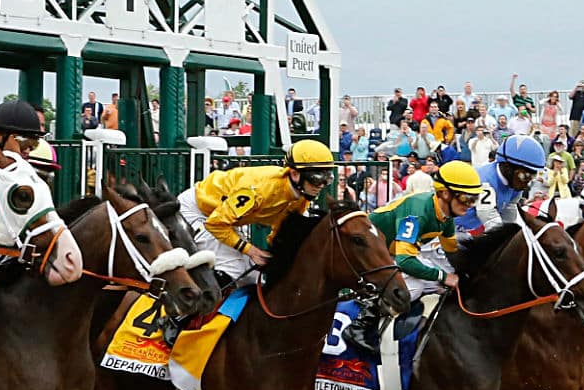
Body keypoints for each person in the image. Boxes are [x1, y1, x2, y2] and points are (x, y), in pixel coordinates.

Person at [342, 161, 484, 352]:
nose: (470, 205)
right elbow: (405, 261)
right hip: (363, 255)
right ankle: (360, 324)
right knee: (415, 286)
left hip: (386, 255)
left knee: (436, 280)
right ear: (445, 193)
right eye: (466, 198)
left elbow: (453, 255)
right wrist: (444, 277)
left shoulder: (447, 218)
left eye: (474, 199)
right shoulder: (418, 211)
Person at [177, 139, 335, 288]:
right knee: (233, 268)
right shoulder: (259, 190)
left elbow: (279, 233)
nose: (321, 185)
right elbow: (215, 224)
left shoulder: (301, 198)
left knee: (251, 277)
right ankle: (190, 312)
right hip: (197, 210)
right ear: (294, 174)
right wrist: (251, 250)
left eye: (327, 178)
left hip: (224, 217)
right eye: (316, 178)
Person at [458, 134, 546, 237]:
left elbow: (509, 210)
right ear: (507, 167)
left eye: (532, 177)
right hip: (452, 229)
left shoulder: (515, 183)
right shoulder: (484, 181)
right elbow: (490, 219)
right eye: (525, 176)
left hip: (472, 228)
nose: (526, 185)